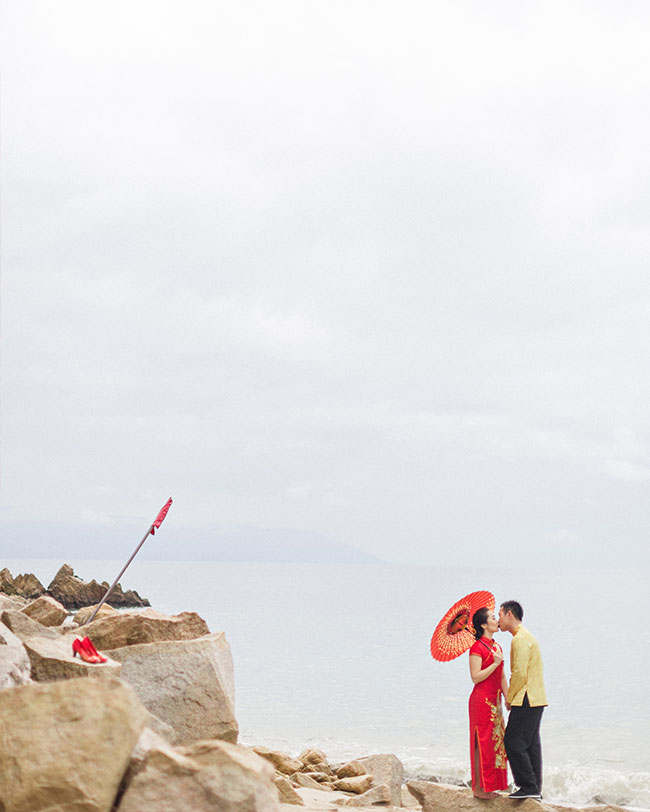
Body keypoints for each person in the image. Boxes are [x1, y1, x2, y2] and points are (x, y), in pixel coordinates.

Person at [498, 600, 548, 800]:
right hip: (537, 697)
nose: (498, 619)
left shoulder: (519, 639)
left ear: (509, 615)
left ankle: (528, 786)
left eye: (500, 614)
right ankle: (534, 787)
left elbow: (519, 673)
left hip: (526, 697)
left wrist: (510, 698)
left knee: (512, 741)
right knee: (530, 744)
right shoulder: (527, 636)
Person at [468, 607, 509, 798]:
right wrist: (493, 663)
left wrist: (508, 698)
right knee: (480, 741)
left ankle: (492, 785)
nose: (496, 620)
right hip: (481, 701)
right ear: (484, 625)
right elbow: (475, 677)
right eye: (493, 618)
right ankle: (478, 788)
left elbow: (502, 677)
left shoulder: (497, 647)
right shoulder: (476, 648)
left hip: (496, 701)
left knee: (496, 743)